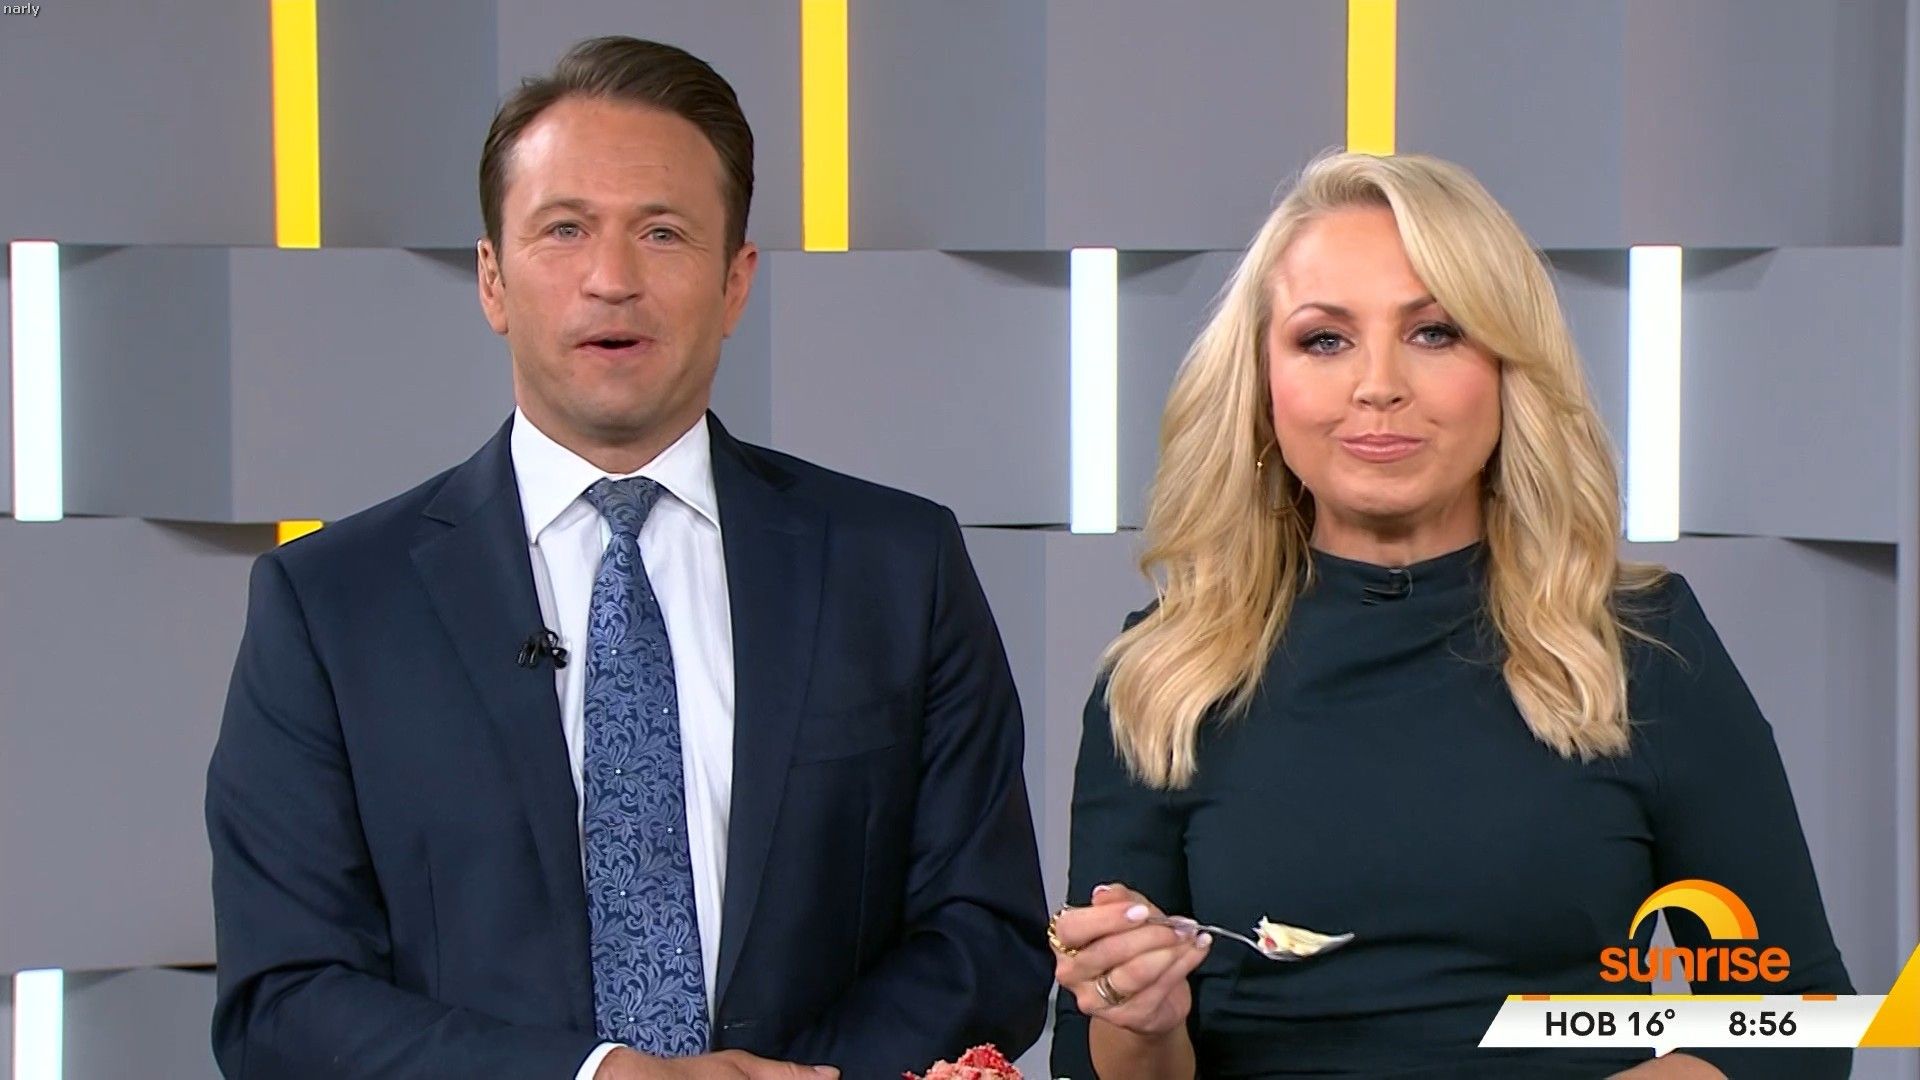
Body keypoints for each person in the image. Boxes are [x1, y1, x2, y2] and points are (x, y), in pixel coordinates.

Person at [205, 36, 1049, 1080]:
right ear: (492, 279)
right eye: (564, 230)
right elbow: (283, 1001)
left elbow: (986, 936)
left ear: (736, 283)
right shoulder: (332, 604)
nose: (612, 280)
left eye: (663, 233)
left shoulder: (897, 567)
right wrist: (599, 1076)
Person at [1047, 152, 1852, 1079]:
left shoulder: (1638, 642)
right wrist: (1139, 1019)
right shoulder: (1163, 671)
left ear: (1508, 371)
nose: (1378, 385)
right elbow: (1089, 1061)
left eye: (1434, 333)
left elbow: (1797, 1022)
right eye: (1324, 340)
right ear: (1261, 388)